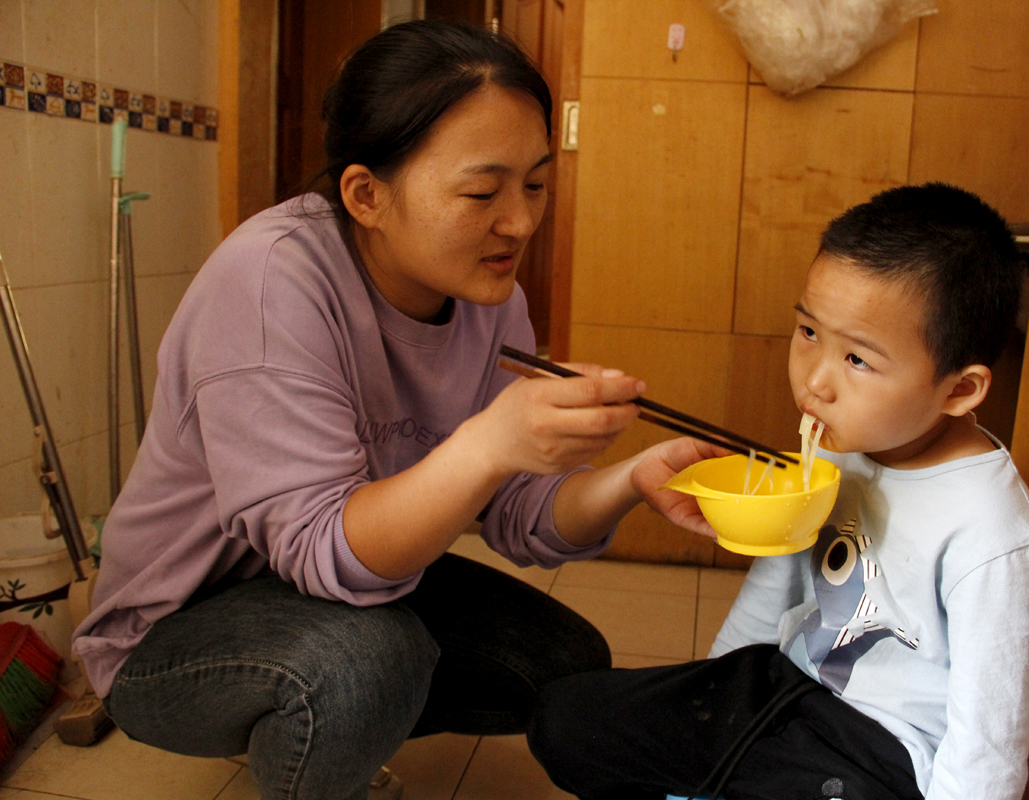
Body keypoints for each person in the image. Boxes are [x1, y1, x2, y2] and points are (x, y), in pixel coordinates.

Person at [71, 20, 720, 800]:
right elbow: (322, 551)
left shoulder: (490, 296)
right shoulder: (273, 280)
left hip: (326, 589)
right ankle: (318, 741)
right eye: (483, 191)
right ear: (366, 194)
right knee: (365, 662)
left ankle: (329, 724)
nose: (518, 221)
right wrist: (488, 442)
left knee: (563, 667)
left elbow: (519, 516)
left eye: (537, 183)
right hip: (174, 632)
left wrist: (630, 478)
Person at [527, 183, 1029, 800]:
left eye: (858, 360)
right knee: (566, 718)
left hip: (880, 752)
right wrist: (711, 696)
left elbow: (988, 744)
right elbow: (773, 589)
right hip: (779, 687)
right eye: (808, 332)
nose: (814, 380)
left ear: (959, 389)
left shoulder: (993, 539)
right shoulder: (843, 446)